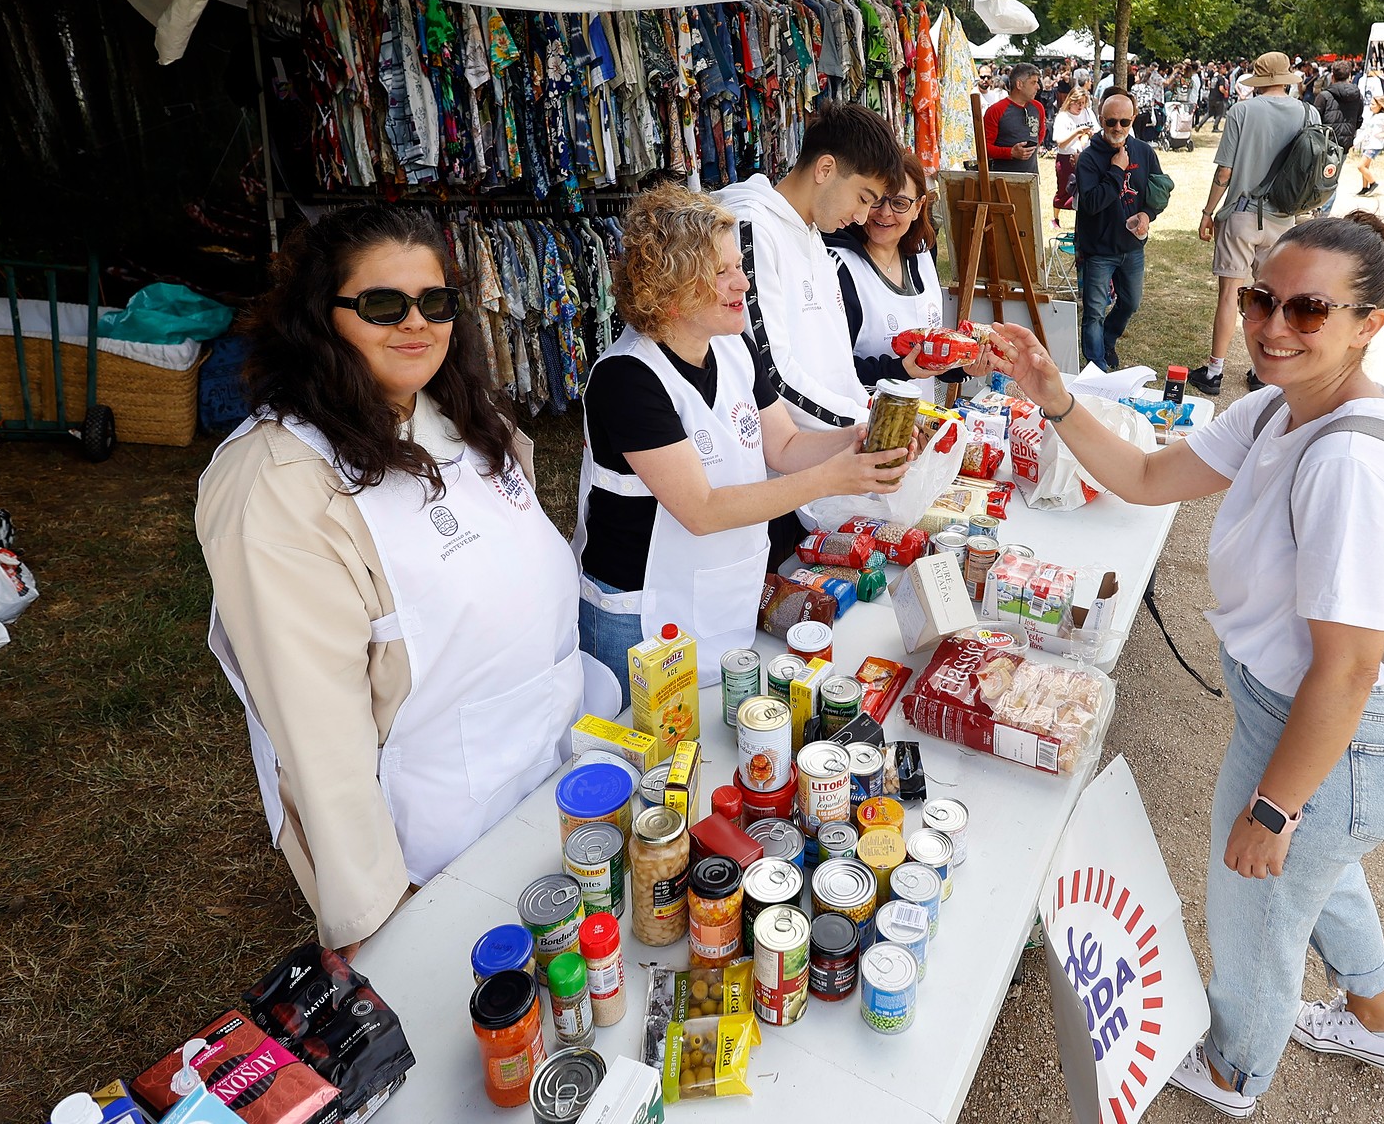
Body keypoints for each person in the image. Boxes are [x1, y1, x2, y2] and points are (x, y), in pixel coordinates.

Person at [986, 211, 1384, 1121]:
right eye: (1266, 299)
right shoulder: (1280, 407)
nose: (1275, 326)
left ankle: (1235, 1072)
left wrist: (1274, 807)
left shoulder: (1346, 460)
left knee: (1259, 906)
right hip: (1319, 733)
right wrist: (1053, 396)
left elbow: (1346, 673)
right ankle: (1378, 1023)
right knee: (1323, 873)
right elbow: (1150, 478)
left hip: (1336, 741)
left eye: (1310, 310)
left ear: (1368, 324)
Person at [197, 205, 616, 955]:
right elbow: (317, 735)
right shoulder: (279, 482)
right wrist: (379, 917)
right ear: (318, 318)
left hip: (544, 783)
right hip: (433, 839)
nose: (415, 323)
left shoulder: (467, 415)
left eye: (436, 302)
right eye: (382, 304)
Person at [574, 186, 909, 697]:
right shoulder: (628, 379)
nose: (743, 282)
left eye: (739, 266)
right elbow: (701, 509)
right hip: (639, 617)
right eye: (722, 272)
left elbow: (785, 446)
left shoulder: (735, 349)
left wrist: (856, 442)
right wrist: (830, 478)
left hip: (720, 595)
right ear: (669, 287)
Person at [715, 101, 904, 434]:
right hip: (781, 463)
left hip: (831, 455)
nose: (862, 218)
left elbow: (837, 364)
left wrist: (867, 406)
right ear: (825, 169)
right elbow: (769, 370)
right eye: (863, 198)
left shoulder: (814, 235)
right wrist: (869, 422)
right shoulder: (752, 229)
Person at [1193, 51, 1322, 395]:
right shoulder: (1309, 112)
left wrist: (1208, 212)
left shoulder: (1242, 111)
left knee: (1228, 297)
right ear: (1287, 78)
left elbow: (1225, 171)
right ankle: (1260, 371)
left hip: (1242, 213)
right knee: (1272, 299)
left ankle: (1215, 371)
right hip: (1286, 217)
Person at [825, 154, 986, 402]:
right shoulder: (840, 267)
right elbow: (831, 370)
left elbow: (928, 361)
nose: (885, 213)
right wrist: (899, 370)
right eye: (877, 201)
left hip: (920, 427)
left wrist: (963, 367)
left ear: (918, 207)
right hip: (863, 427)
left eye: (900, 203)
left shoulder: (922, 254)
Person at [1074, 87, 1165, 371]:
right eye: (1110, 121)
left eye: (1124, 122)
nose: (1117, 128)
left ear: (1133, 119)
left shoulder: (1144, 151)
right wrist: (1116, 171)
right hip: (1099, 248)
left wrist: (1148, 214)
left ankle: (1108, 340)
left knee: (1130, 303)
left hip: (1132, 247)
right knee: (1094, 313)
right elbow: (1089, 204)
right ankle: (1096, 366)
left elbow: (1158, 191)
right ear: (1101, 120)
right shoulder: (1089, 158)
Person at [982, 62, 1046, 175]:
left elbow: (1040, 134)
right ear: (1019, 84)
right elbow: (984, 147)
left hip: (1031, 177)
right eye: (1034, 82)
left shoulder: (1038, 108)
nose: (1038, 87)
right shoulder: (996, 111)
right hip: (1002, 180)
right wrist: (1010, 152)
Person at [1050, 85, 1098, 224]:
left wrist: (1089, 134)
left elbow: (1096, 130)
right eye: (1078, 103)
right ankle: (1056, 218)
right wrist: (1077, 133)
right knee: (1064, 189)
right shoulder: (1063, 117)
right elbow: (1061, 143)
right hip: (1067, 156)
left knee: (1085, 189)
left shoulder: (1088, 112)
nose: (1081, 106)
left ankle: (1083, 218)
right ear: (1070, 101)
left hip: (1086, 156)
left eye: (1083, 103)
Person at [1349, 95, 1384, 197]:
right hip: (1368, 144)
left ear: (1380, 106)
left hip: (1374, 145)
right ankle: (1365, 187)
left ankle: (1373, 183)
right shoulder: (1373, 117)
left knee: (1361, 166)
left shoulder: (1382, 117)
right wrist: (1354, 143)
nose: (1371, 106)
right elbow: (1365, 132)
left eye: (1373, 104)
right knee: (1365, 167)